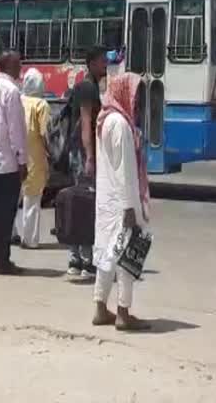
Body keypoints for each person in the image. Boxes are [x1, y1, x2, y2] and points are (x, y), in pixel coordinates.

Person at [92, 72, 151, 331]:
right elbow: (126, 169)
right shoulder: (121, 125)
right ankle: (123, 312)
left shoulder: (104, 119)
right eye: (136, 96)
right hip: (121, 202)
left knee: (106, 254)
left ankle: (99, 307)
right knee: (126, 257)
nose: (138, 103)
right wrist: (130, 208)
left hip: (106, 199)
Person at [0, 50, 28, 275]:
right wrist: (22, 160)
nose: (21, 67)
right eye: (18, 63)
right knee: (6, 213)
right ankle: (3, 262)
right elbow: (15, 129)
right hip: (9, 161)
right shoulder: (11, 91)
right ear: (9, 65)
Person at [67, 47, 107, 277]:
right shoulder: (88, 88)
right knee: (85, 206)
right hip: (83, 155)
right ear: (91, 63)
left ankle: (76, 258)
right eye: (102, 62)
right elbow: (85, 124)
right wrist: (90, 157)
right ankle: (84, 260)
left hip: (80, 154)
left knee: (78, 204)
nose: (106, 66)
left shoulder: (87, 86)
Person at [13, 68, 51, 249]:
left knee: (13, 198)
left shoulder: (18, 100)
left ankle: (11, 233)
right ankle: (29, 240)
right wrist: (50, 153)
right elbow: (45, 134)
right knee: (32, 200)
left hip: (15, 156)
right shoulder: (41, 105)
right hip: (35, 158)